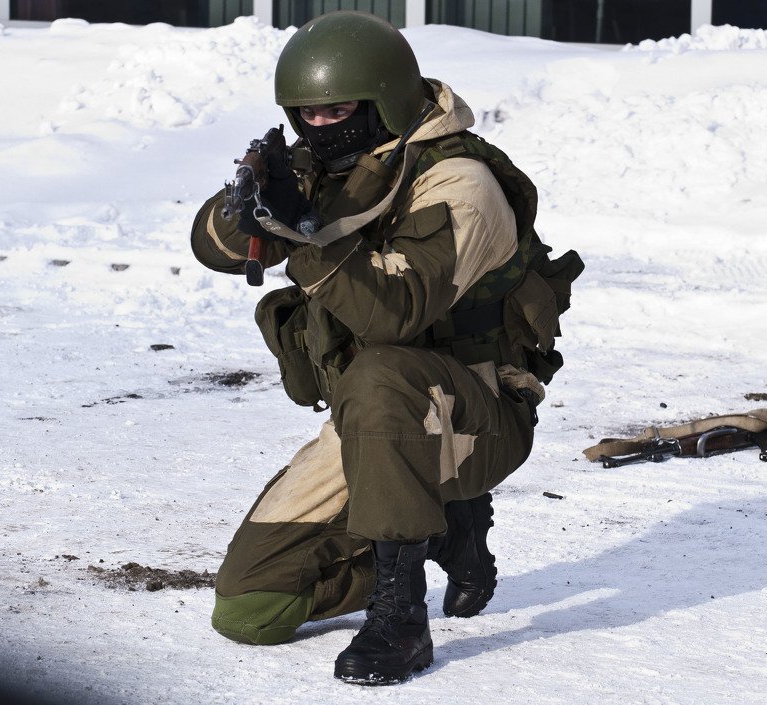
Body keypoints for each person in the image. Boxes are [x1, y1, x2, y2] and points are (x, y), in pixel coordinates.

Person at [190, 10, 582, 685]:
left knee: (375, 375)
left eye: (337, 109)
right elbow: (212, 249)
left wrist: (307, 233)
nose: (319, 127)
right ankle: (440, 526)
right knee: (250, 605)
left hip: (476, 413)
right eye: (304, 114)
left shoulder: (462, 184)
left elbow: (392, 313)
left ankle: (399, 616)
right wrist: (247, 207)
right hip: (377, 424)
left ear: (386, 100)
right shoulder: (336, 165)